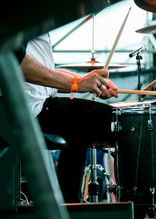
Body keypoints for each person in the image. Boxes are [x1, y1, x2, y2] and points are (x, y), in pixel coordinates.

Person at [19, 33, 119, 203]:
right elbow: (17, 62)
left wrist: (86, 81)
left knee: (114, 120)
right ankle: (70, 207)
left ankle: (70, 204)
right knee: (112, 122)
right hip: (25, 109)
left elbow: (44, 70)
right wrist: (77, 83)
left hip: (40, 103)